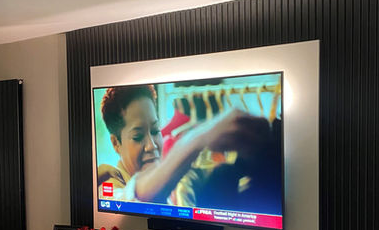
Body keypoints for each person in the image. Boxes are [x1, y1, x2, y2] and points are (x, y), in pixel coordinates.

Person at [97, 84, 273, 206]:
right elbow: (132, 200)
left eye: (156, 131)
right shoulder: (107, 186)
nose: (152, 146)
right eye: (137, 136)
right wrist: (198, 138)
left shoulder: (179, 181)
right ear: (116, 143)